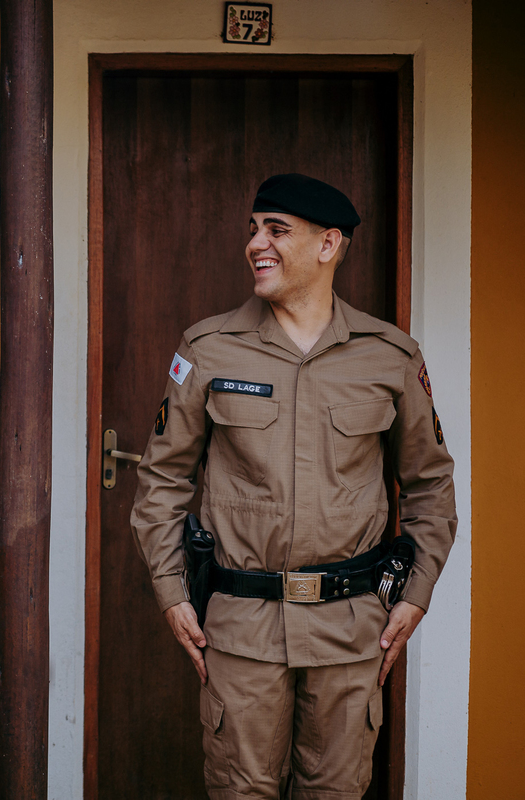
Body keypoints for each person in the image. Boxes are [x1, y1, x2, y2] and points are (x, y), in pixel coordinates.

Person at [130, 173, 457, 799]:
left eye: (276, 230)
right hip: (241, 629)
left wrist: (416, 593)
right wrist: (172, 592)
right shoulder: (208, 348)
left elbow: (429, 482)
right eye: (254, 229)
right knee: (240, 790)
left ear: (328, 244)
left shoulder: (390, 356)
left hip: (352, 629)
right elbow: (163, 477)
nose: (256, 244)